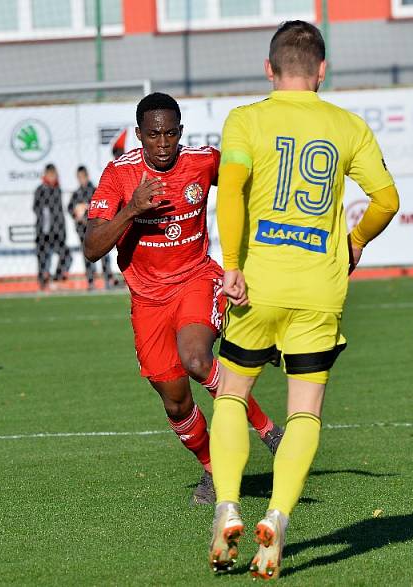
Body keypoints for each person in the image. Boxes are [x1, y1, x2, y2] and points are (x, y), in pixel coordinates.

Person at [207, 21, 400, 579]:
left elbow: (235, 192)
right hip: (319, 288)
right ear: (321, 71)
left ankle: (226, 507)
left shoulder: (246, 119)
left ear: (269, 69)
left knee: (232, 396)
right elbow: (386, 199)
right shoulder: (347, 125)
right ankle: (280, 516)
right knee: (305, 412)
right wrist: (355, 242)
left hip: (258, 285)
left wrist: (234, 266)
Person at [84, 92, 284, 505]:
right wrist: (131, 211)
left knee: (195, 359)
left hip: (195, 277)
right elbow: (91, 248)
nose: (163, 143)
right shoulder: (119, 176)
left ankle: (268, 431)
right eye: (154, 135)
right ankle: (215, 471)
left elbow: (247, 178)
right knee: (175, 403)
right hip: (148, 299)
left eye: (171, 133)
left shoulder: (201, 161)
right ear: (139, 135)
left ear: (180, 132)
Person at [67, 165, 114, 290]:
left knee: (103, 253)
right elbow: (70, 208)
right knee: (87, 255)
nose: (81, 180)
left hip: (96, 228)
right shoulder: (76, 194)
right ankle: (90, 280)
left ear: (87, 176)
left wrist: (87, 209)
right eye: (79, 178)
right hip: (82, 230)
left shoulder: (94, 190)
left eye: (83, 177)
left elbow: (102, 206)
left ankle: (107, 277)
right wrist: (76, 214)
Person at [33, 163, 71, 289]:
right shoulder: (40, 190)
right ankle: (43, 280)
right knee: (43, 258)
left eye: (55, 175)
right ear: (46, 175)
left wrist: (62, 230)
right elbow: (37, 209)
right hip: (44, 232)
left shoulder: (57, 190)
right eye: (51, 175)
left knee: (66, 255)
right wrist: (45, 226)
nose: (54, 177)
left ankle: (56, 278)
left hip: (57, 232)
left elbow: (60, 212)